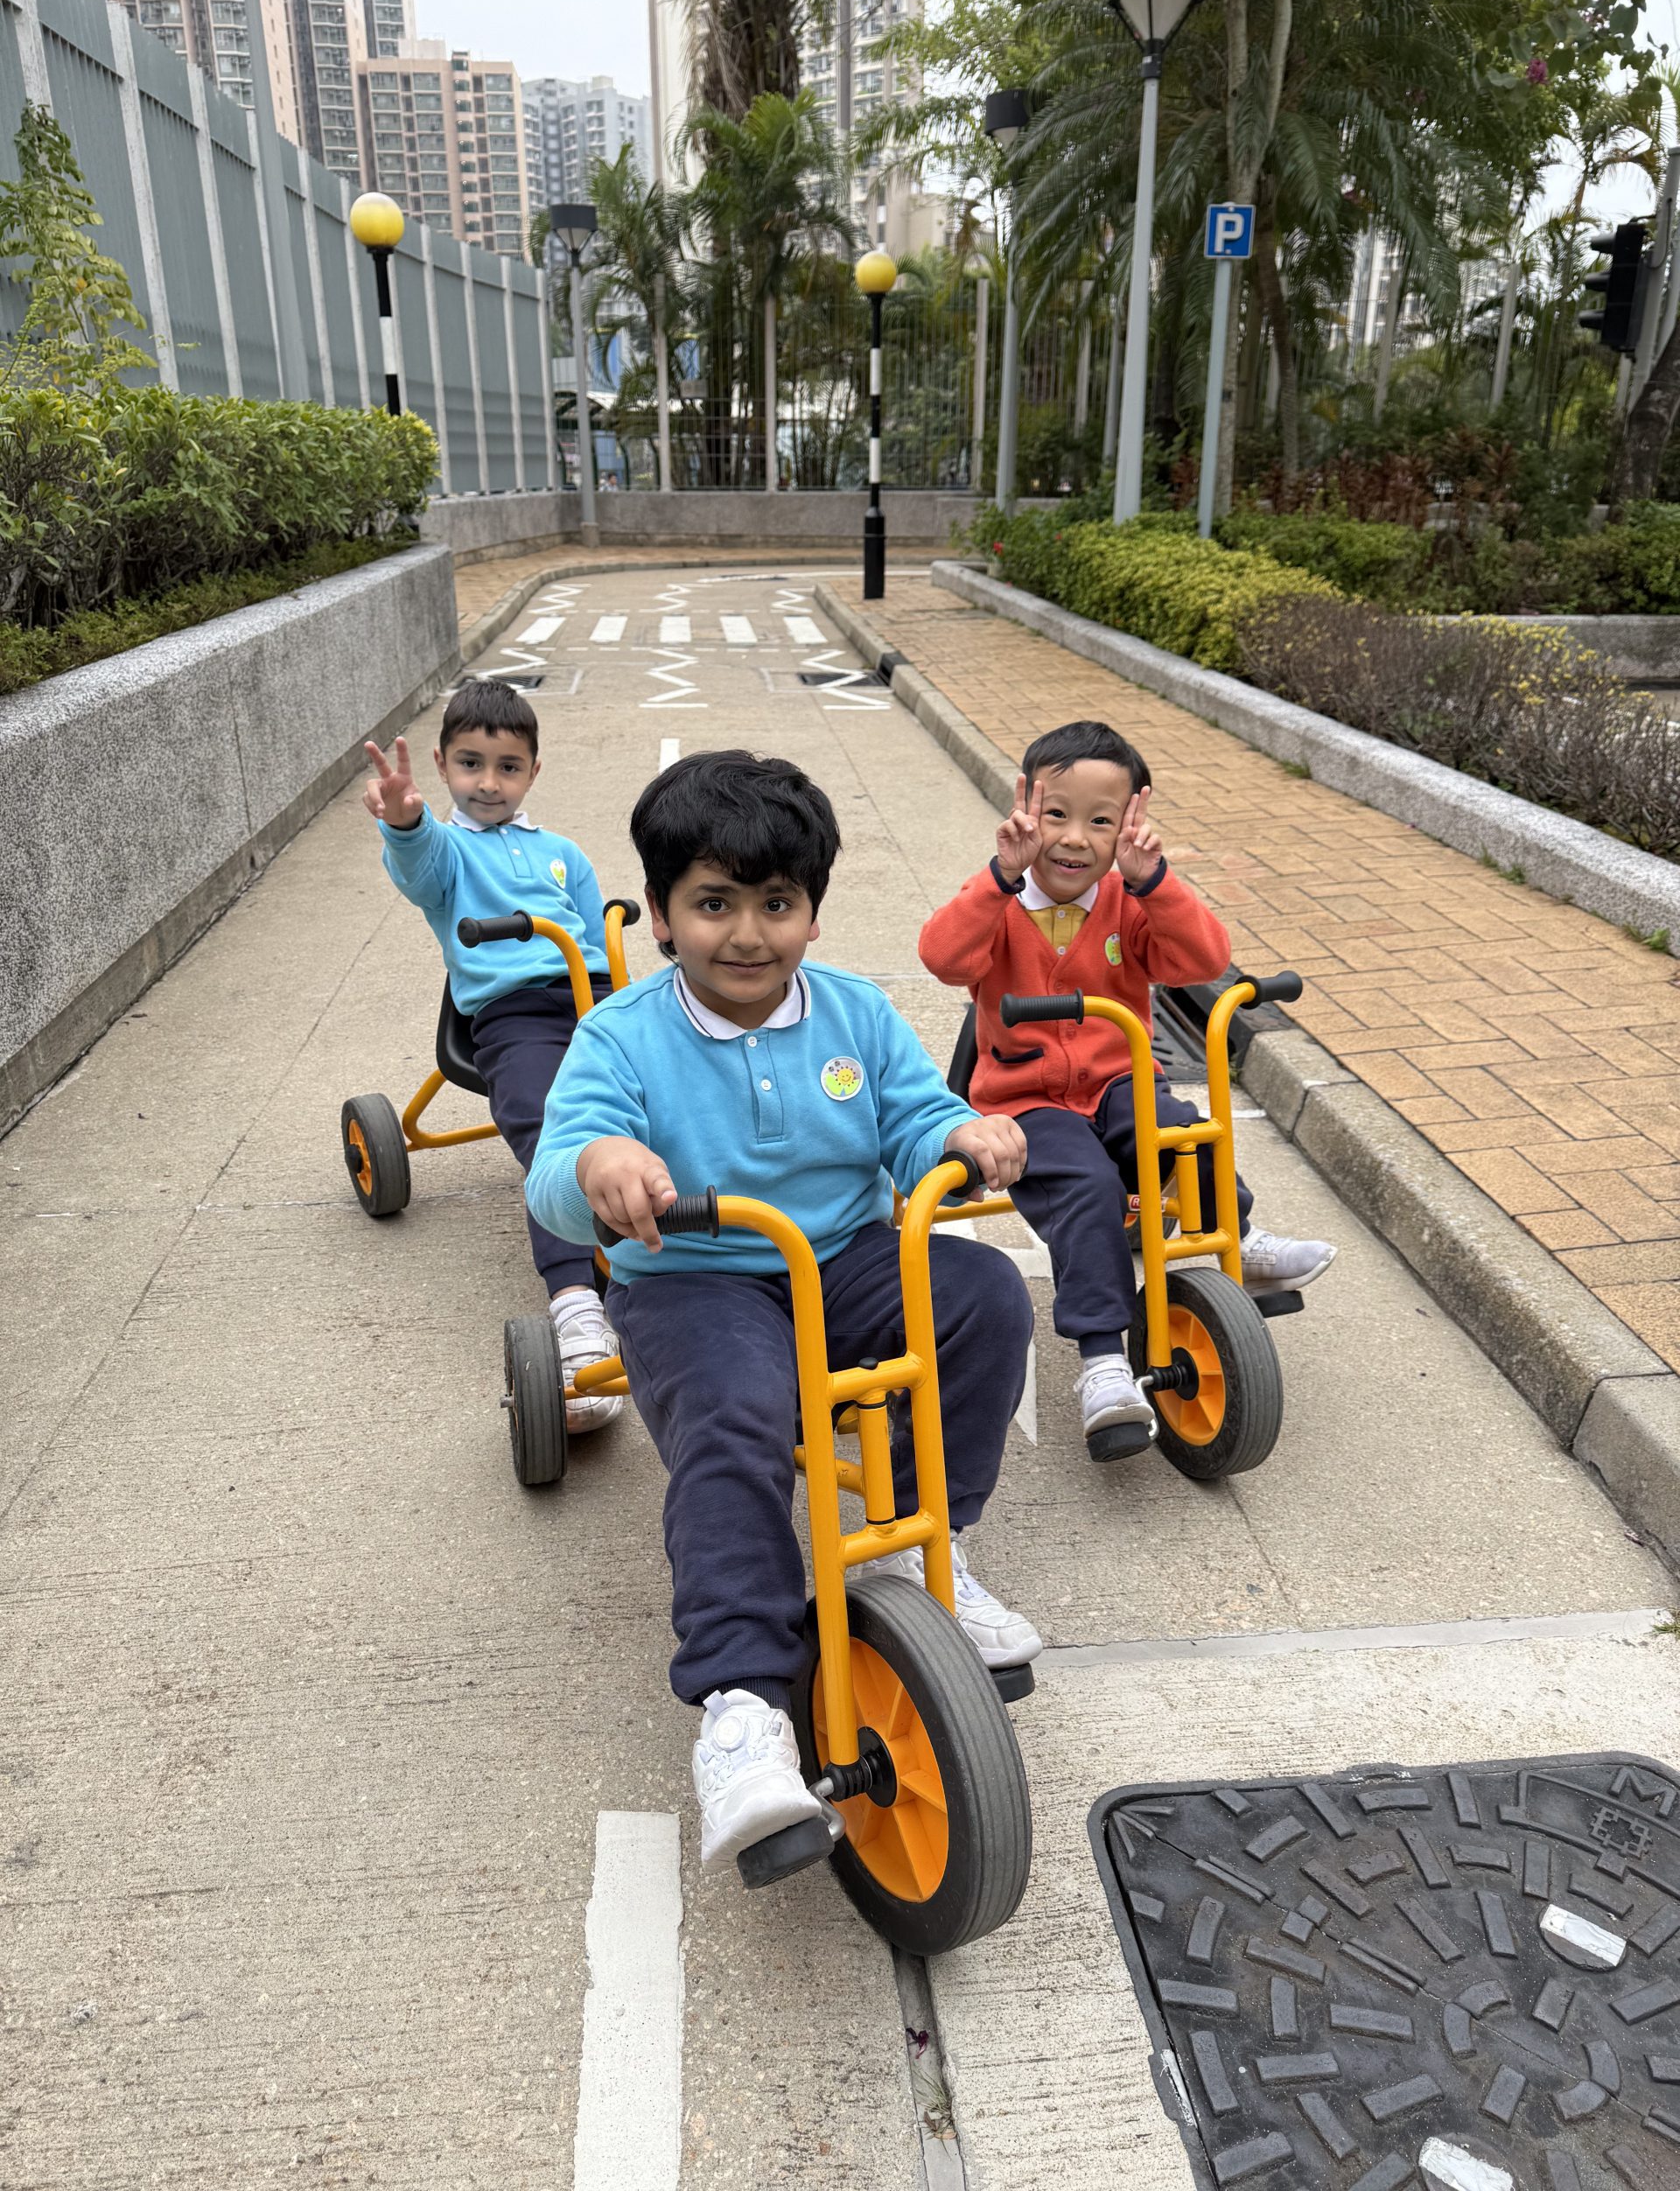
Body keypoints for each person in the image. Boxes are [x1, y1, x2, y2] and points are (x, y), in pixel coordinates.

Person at [524, 750, 1039, 1868]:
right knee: (733, 1410)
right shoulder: (623, 1035)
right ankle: (743, 1704)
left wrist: (959, 1135)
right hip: (694, 1273)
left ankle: (916, 1547)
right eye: (714, 904)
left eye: (776, 903)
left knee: (986, 1299)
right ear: (662, 913)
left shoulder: (854, 1012)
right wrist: (602, 1163)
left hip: (842, 1254)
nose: (748, 934)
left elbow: (914, 1117)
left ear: (812, 910)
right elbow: (557, 1169)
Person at [920, 718, 1335, 1460]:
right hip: (1025, 1098)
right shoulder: (997, 903)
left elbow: (1201, 959)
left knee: (1178, 1130)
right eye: (1056, 815)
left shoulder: (1127, 902)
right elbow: (944, 958)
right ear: (1024, 808)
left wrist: (1154, 882)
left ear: (1128, 827)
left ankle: (1237, 1234)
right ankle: (1104, 1360)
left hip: (1119, 1078)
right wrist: (999, 876)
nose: (1074, 839)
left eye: (1101, 822)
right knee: (1086, 1184)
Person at [362, 679, 620, 1430]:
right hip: (513, 1014)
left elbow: (599, 938)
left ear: (532, 772)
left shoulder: (562, 853)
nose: (488, 782)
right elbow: (419, 870)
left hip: (593, 995)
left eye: (507, 767)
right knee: (552, 1130)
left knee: (667, 1099)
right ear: (443, 764)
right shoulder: (447, 852)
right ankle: (576, 1303)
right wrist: (406, 822)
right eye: (471, 764)